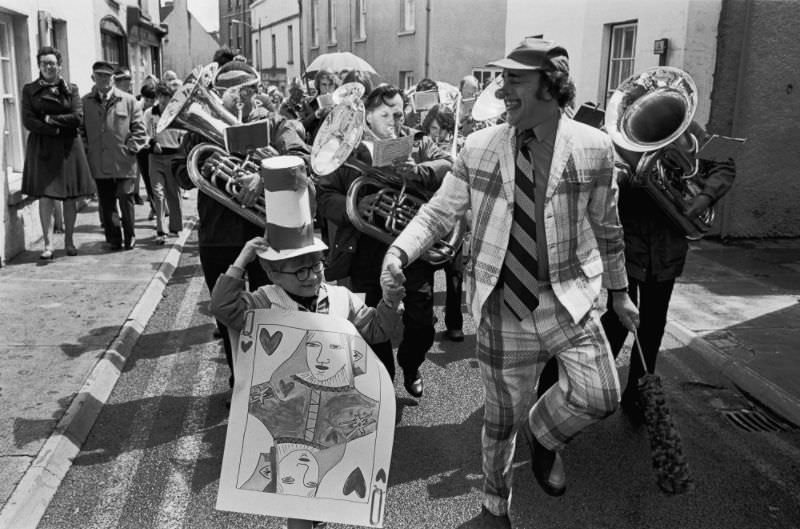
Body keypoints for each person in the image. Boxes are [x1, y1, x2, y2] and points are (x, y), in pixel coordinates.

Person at [380, 38, 639, 527]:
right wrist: (399, 251)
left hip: (570, 299)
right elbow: (438, 212)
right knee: (500, 422)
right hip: (502, 305)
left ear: (551, 85)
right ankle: (495, 507)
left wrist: (620, 292)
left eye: (515, 79)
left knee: (601, 395)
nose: (502, 91)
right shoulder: (479, 146)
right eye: (502, 79)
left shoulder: (594, 147)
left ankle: (543, 435)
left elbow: (608, 227)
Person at [182, 53, 310, 389]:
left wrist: (264, 176)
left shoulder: (275, 124)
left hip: (267, 231)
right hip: (218, 234)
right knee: (228, 314)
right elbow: (182, 175)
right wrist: (201, 151)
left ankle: (276, 380)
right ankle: (240, 381)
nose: (240, 98)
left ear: (256, 91)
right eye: (229, 91)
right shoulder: (199, 128)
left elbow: (302, 158)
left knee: (276, 308)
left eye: (248, 90)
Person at [316, 84, 453, 398]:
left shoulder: (419, 141)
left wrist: (420, 170)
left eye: (399, 114)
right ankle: (384, 383)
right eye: (386, 115)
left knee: (422, 323)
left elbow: (449, 163)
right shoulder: (348, 150)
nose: (394, 121)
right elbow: (324, 196)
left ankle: (411, 363)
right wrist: (353, 206)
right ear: (368, 116)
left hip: (412, 248)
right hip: (365, 249)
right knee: (371, 321)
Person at [21, 46, 95, 259]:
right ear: (39, 66)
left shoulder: (71, 89)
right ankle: (48, 244)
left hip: (68, 148)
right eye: (44, 63)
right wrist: (54, 129)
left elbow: (77, 118)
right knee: (45, 196)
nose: (48, 67)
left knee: (69, 197)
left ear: (59, 66)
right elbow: (29, 120)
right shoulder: (30, 90)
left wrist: (49, 119)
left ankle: (69, 241)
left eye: (52, 63)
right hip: (43, 147)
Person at [82, 60, 147, 251]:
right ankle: (114, 238)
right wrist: (87, 150)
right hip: (99, 162)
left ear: (113, 78)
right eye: (99, 76)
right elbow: (81, 131)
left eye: (107, 76)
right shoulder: (86, 102)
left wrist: (130, 149)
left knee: (126, 198)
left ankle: (130, 235)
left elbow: (140, 130)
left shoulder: (128, 100)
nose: (104, 80)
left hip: (123, 162)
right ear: (93, 77)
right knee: (107, 203)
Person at [420, 104, 466, 342]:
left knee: (455, 274)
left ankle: (455, 324)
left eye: (441, 130)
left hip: (453, 219)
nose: (437, 134)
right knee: (425, 273)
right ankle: (427, 318)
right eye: (433, 129)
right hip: (429, 214)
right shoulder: (423, 147)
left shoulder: (461, 147)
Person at [143, 81, 186, 243]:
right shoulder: (150, 113)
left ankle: (175, 227)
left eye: (167, 97)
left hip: (173, 156)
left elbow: (183, 133)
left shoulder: (176, 113)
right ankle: (161, 230)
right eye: (160, 96)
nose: (163, 100)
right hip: (155, 157)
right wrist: (152, 142)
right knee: (158, 193)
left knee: (173, 193)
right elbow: (144, 132)